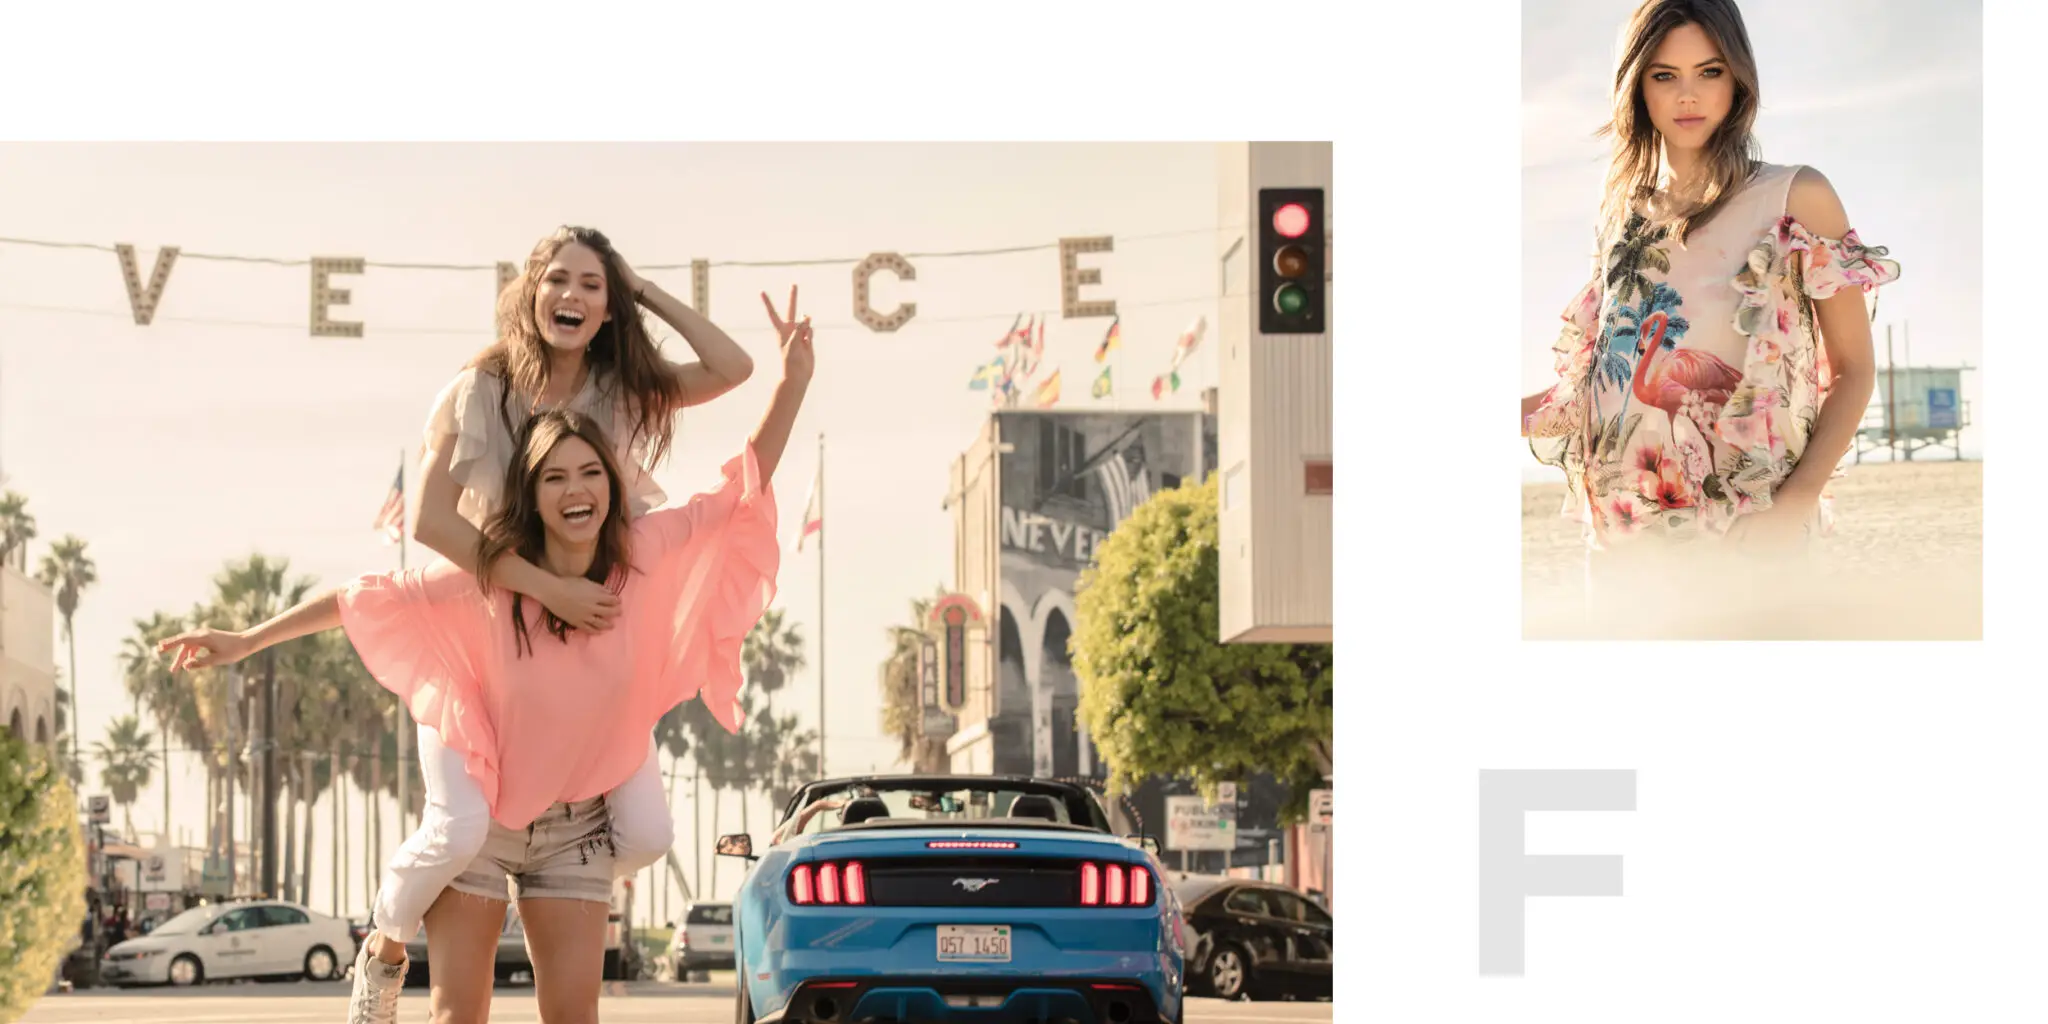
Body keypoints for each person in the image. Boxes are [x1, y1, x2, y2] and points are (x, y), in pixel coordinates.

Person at [161, 287, 813, 1024]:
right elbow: (362, 597)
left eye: (591, 473)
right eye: (555, 477)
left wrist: (792, 383)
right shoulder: (489, 578)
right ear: (532, 498)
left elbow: (741, 485)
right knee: (458, 1015)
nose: (577, 490)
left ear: (613, 487)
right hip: (484, 814)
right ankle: (381, 951)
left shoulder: (647, 554)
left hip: (578, 828)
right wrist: (247, 641)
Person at [1521, 0, 1898, 625]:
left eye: (1710, 71)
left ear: (1739, 79)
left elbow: (1854, 369)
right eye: (1664, 75)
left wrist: (1795, 505)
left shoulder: (1796, 196)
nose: (1688, 95)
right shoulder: (1622, 217)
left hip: (1749, 537)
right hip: (1623, 549)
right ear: (1636, 86)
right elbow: (1595, 389)